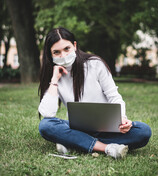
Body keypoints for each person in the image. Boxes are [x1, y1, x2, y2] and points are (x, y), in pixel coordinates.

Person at [38, 27, 151, 159]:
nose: (63, 56)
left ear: (74, 45)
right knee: (45, 126)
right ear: (50, 54)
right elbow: (47, 113)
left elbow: (113, 96)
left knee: (143, 131)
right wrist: (54, 80)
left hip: (107, 129)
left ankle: (74, 143)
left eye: (67, 49)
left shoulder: (95, 64)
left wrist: (123, 118)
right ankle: (107, 148)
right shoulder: (53, 74)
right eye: (56, 52)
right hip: (77, 128)